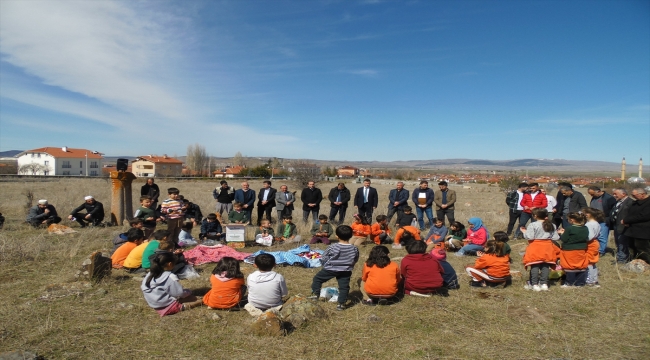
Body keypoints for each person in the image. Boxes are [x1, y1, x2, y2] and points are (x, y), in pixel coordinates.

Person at [309, 225, 359, 310]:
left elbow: (324, 257)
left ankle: (315, 295)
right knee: (344, 287)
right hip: (345, 270)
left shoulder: (333, 247)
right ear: (351, 236)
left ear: (337, 236)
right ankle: (341, 304)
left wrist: (324, 264)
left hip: (330, 269)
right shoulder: (354, 248)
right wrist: (350, 265)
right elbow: (355, 258)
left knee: (317, 279)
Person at [141, 252, 202, 317]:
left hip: (155, 303)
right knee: (198, 301)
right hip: (166, 305)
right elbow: (179, 293)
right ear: (170, 264)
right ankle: (203, 301)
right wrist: (189, 292)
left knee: (190, 297)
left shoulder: (150, 274)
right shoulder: (169, 276)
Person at [521, 209, 560, 291]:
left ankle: (534, 284)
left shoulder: (533, 225)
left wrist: (524, 232)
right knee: (545, 266)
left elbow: (530, 237)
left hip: (535, 247)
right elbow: (556, 237)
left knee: (535, 265)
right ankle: (544, 284)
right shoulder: (552, 224)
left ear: (535, 216)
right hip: (548, 247)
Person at [557, 212, 589, 287]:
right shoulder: (585, 228)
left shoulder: (569, 229)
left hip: (569, 250)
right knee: (581, 265)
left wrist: (562, 233)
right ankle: (580, 283)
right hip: (581, 249)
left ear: (572, 220)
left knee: (569, 266)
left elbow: (564, 239)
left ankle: (569, 282)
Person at [621, 188, 650, 264]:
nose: (633, 197)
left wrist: (627, 220)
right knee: (632, 248)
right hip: (632, 229)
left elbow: (644, 216)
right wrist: (626, 220)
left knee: (643, 249)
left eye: (634, 195)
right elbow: (630, 213)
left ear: (642, 194)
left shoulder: (648, 203)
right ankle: (635, 262)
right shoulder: (636, 202)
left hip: (643, 231)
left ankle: (647, 263)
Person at [587, 186, 616, 255]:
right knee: (595, 236)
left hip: (604, 220)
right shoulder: (594, 198)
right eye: (590, 194)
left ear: (598, 191)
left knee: (602, 236)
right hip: (594, 220)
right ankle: (595, 250)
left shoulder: (609, 198)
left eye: (592, 194)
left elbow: (612, 210)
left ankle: (601, 251)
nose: (591, 196)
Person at [610, 188, 634, 263]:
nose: (614, 195)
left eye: (615, 194)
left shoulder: (630, 202)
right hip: (616, 225)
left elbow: (632, 214)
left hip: (624, 226)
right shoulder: (618, 202)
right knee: (618, 242)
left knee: (622, 243)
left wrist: (628, 222)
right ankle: (620, 257)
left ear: (623, 194)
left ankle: (623, 259)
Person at [583, 208, 604, 287]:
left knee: (589, 262)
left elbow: (589, 236)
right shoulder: (596, 223)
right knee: (592, 262)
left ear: (589, 214)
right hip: (595, 243)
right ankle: (594, 279)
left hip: (590, 244)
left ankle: (590, 280)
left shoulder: (589, 224)